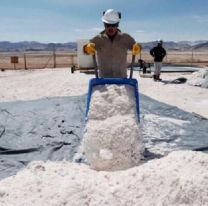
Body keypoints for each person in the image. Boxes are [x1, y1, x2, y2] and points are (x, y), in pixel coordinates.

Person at [83, 9, 142, 78]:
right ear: (104, 24)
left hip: (121, 79)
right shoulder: (98, 39)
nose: (111, 28)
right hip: (103, 80)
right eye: (108, 25)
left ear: (118, 24)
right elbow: (85, 51)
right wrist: (86, 48)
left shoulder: (126, 38)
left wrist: (138, 47)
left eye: (114, 25)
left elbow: (137, 47)